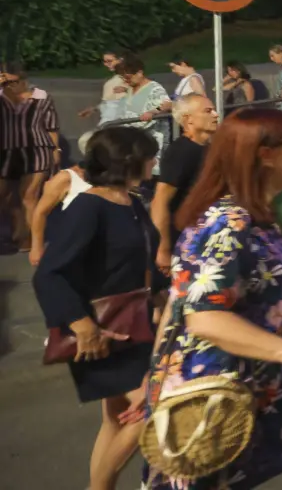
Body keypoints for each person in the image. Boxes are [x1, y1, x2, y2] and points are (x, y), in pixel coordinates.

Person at [143, 108, 282, 488]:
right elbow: (202, 316)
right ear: (266, 154)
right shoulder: (226, 222)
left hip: (255, 377)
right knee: (203, 477)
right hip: (210, 387)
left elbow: (178, 298)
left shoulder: (257, 216)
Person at [32, 126, 158, 490]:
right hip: (102, 331)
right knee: (156, 406)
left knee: (117, 420)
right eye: (149, 155)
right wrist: (82, 325)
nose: (154, 161)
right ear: (127, 160)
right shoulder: (89, 205)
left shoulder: (130, 201)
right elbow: (49, 274)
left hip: (132, 325)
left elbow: (144, 257)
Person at [149, 94, 217, 279]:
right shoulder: (181, 151)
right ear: (188, 119)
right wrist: (163, 249)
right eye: (208, 111)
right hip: (185, 242)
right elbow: (160, 201)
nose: (216, 114)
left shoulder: (209, 149)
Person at [0, 63, 61, 250]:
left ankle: (31, 240)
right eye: (6, 82)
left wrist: (56, 150)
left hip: (37, 149)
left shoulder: (41, 97)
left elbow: (51, 126)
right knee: (4, 195)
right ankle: (20, 223)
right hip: (6, 150)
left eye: (14, 81)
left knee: (29, 196)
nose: (10, 86)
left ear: (24, 80)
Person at [27, 161, 90, 267]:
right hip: (75, 247)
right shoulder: (66, 177)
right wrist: (37, 247)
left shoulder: (115, 177)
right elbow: (41, 212)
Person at [78, 51, 129, 127]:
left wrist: (127, 90)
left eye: (110, 61)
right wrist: (94, 109)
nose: (107, 64)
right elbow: (108, 102)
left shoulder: (128, 77)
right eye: (105, 62)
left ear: (120, 60)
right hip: (108, 119)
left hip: (116, 121)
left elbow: (140, 93)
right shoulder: (114, 78)